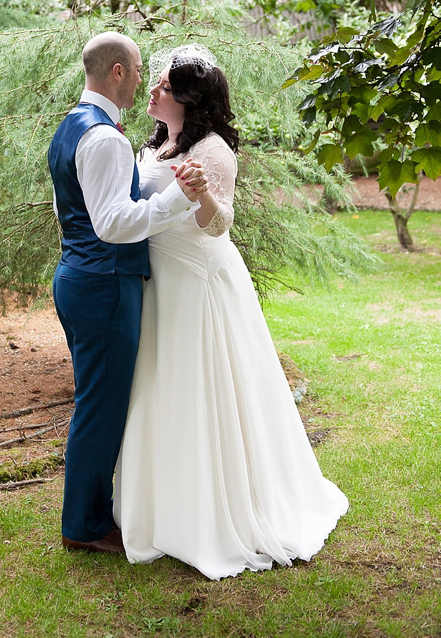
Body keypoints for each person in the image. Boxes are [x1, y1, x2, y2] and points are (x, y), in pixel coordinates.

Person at [113, 44, 349, 580]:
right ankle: (158, 506)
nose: (154, 91)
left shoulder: (215, 151)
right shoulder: (155, 143)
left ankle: (215, 513)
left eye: (166, 87)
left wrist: (200, 195)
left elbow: (218, 225)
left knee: (199, 392)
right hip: (159, 284)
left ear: (191, 100)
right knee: (158, 388)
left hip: (197, 286)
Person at [48, 32, 205, 553]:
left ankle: (90, 514)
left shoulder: (72, 126)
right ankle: (86, 526)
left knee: (95, 400)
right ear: (116, 72)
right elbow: (113, 223)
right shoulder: (107, 139)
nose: (142, 79)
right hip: (105, 284)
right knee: (100, 406)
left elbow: (68, 211)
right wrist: (178, 199)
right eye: (138, 70)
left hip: (78, 274)